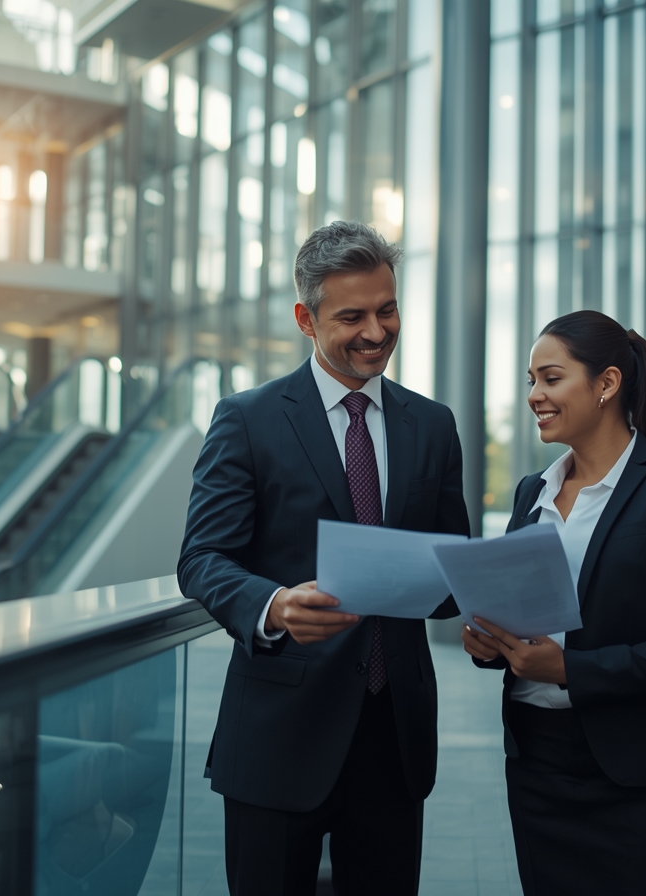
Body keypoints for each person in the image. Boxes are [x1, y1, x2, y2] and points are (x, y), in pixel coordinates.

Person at [178, 220, 469, 896]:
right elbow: (202, 557)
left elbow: (450, 565)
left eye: (388, 309)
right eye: (353, 316)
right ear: (306, 318)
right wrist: (273, 606)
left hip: (393, 739)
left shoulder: (432, 424)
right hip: (279, 737)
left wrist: (486, 583)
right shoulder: (247, 419)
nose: (377, 330)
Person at [462, 309, 646, 896]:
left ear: (606, 384)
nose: (535, 395)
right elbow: (520, 614)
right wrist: (489, 642)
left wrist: (569, 669)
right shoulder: (532, 491)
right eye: (531, 381)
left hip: (644, 781)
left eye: (550, 378)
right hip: (538, 768)